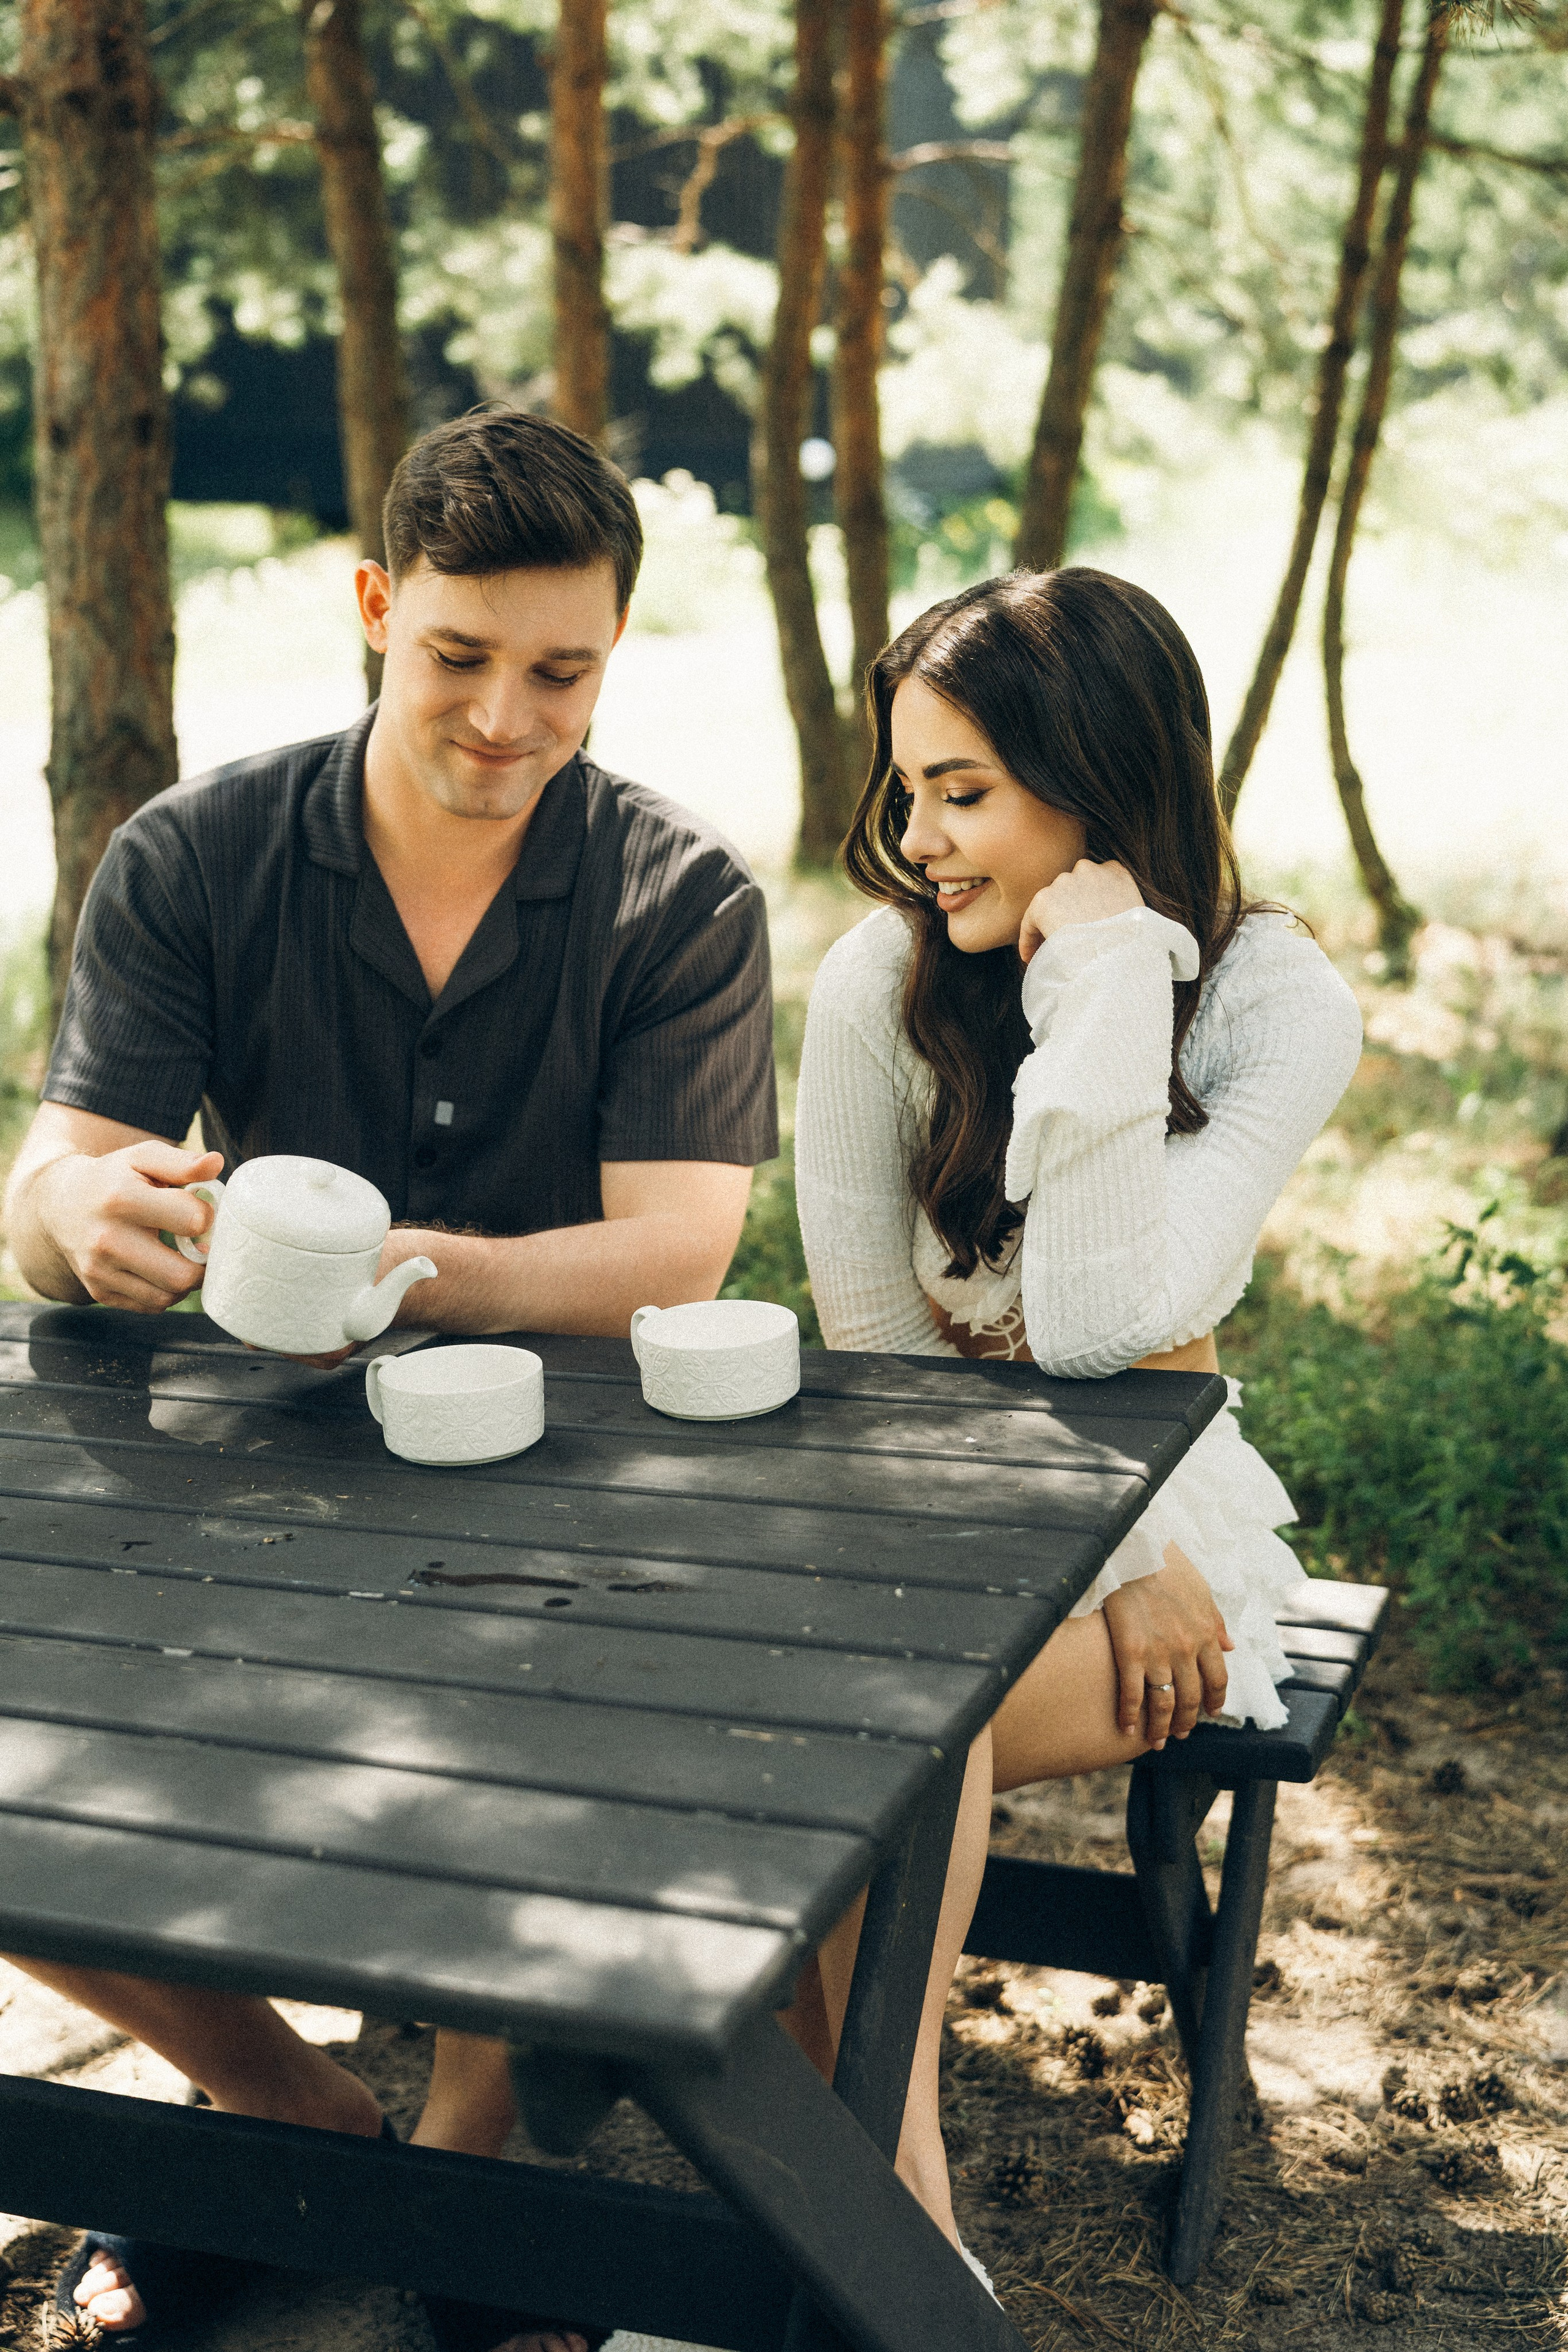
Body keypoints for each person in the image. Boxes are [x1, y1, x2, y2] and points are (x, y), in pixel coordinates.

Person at [3, 407, 778, 2352]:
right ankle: (275, 2093)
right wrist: (88, 1218)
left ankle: (468, 2152)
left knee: (561, 1718)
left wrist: (412, 1282)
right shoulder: (194, 852)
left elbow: (679, 1251)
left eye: (561, 672)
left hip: (575, 1477)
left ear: (612, 654)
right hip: (239, 1454)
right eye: (458, 656)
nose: (507, 716)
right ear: (374, 608)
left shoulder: (682, 899)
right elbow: (54, 1177)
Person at [793, 566, 1363, 2268]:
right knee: (835, 1714)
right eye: (908, 790)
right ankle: (888, 2244)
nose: (920, 839)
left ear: (1103, 789)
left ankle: (873, 2252)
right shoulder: (872, 993)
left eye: (963, 794)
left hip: (1181, 1533)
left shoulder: (1274, 1003)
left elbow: (1115, 1325)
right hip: (935, 1517)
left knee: (893, 1737)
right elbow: (886, 1365)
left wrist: (1113, 978)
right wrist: (1093, 1567)